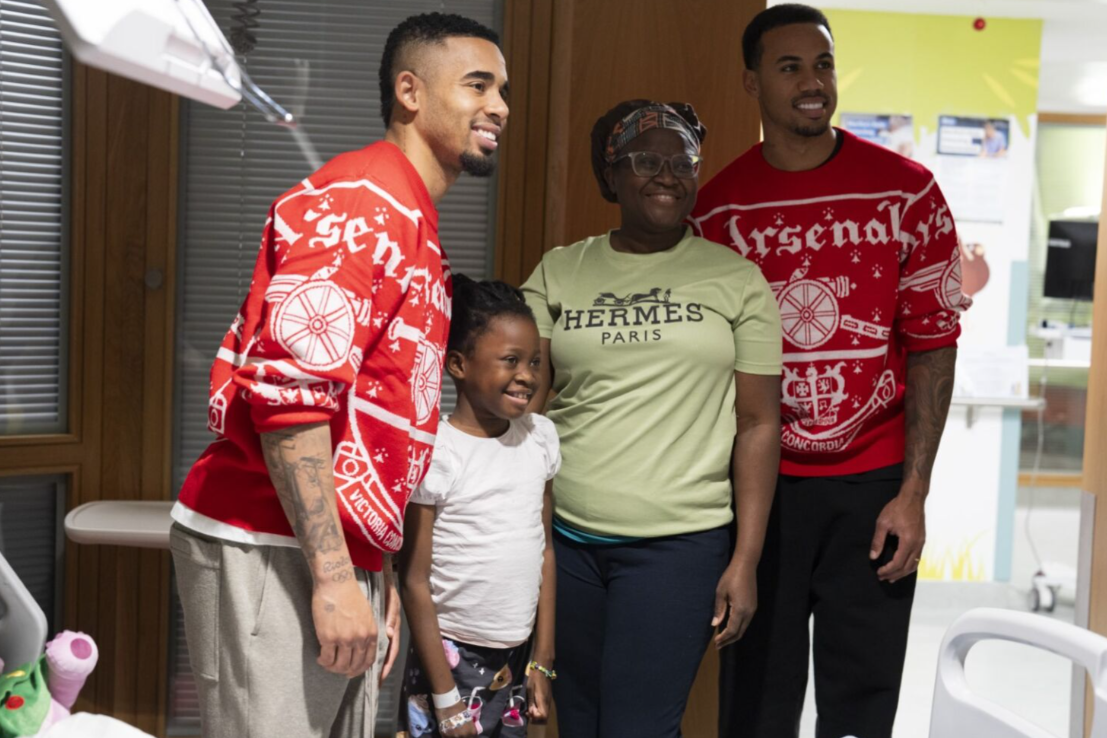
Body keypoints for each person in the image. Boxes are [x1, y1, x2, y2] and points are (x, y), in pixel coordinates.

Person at [168, 13, 509, 737]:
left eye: (502, 89)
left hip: (326, 548)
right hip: (269, 538)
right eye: (477, 84)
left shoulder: (411, 216)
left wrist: (367, 564)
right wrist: (331, 577)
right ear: (409, 91)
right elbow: (290, 400)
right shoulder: (365, 202)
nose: (500, 107)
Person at [690, 5, 971, 737]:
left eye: (822, 64)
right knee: (754, 703)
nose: (812, 83)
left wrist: (912, 493)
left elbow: (934, 343)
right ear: (751, 82)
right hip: (760, 490)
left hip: (873, 488)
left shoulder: (907, 192)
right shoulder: (716, 210)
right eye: (789, 67)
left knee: (861, 705)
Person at [522, 99, 783, 738]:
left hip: (679, 550)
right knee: (576, 723)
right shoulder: (560, 271)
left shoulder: (738, 280)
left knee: (639, 727)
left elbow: (758, 424)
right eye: (646, 160)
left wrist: (745, 560)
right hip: (566, 548)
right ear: (610, 175)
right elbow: (519, 413)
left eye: (683, 161)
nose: (668, 174)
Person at [397, 275, 558, 738]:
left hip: (517, 658)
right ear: (458, 364)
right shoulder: (438, 452)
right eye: (510, 360)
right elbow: (413, 580)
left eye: (534, 361)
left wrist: (542, 662)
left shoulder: (540, 438)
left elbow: (544, 550)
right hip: (447, 660)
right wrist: (447, 702)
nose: (527, 374)